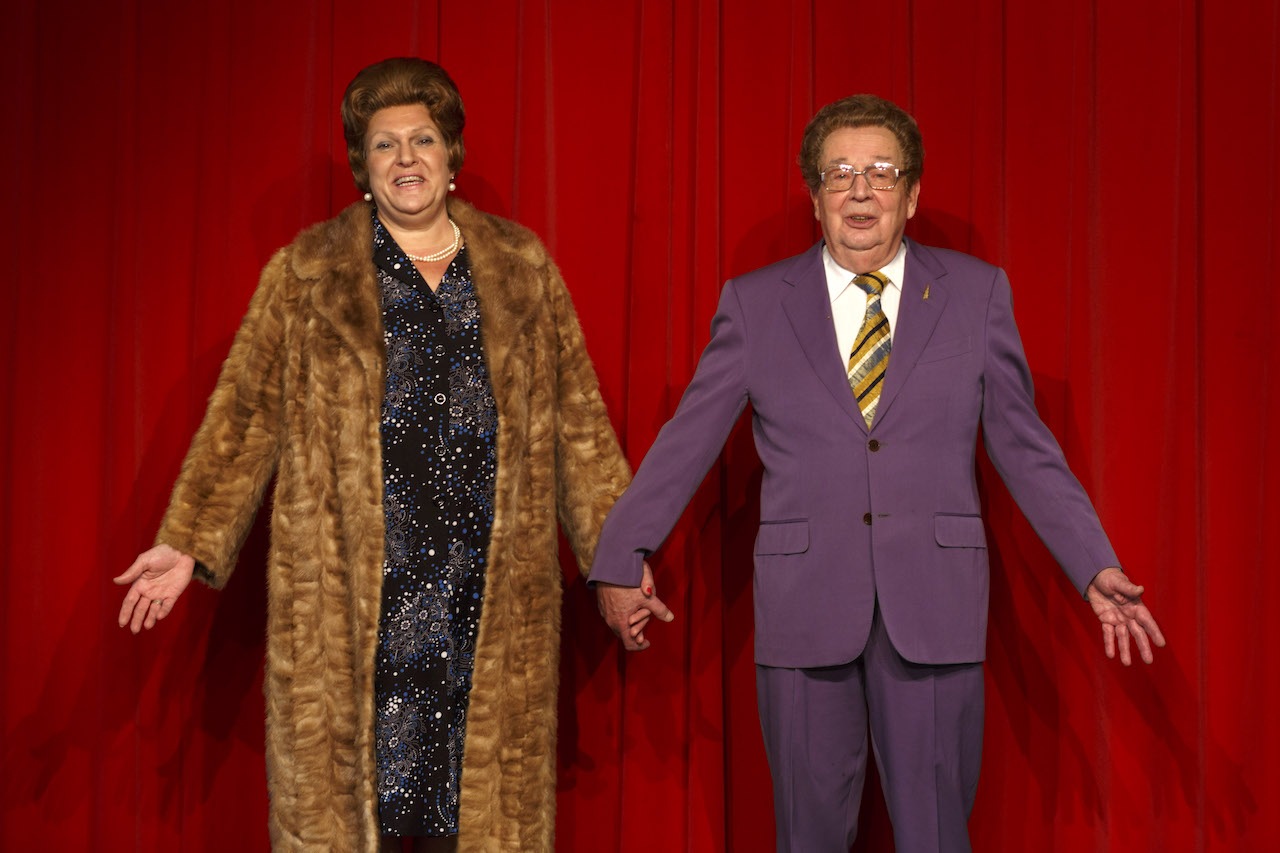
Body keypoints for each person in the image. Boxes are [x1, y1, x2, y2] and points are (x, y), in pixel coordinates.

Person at [590, 94, 1166, 852]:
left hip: (934, 607)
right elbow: (686, 439)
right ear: (815, 197)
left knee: (936, 834)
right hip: (804, 610)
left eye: (882, 173)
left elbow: (1025, 446)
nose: (860, 191)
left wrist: (1093, 564)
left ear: (912, 194)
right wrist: (620, 553)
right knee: (808, 836)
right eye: (840, 173)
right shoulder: (755, 305)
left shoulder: (976, 294)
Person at [114, 57, 630, 853]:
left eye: (422, 139)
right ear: (364, 165)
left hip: (485, 606)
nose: (406, 158)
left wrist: (618, 561)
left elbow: (578, 428)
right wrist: (188, 541)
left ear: (451, 155)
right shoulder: (306, 276)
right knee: (355, 820)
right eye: (385, 144)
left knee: (481, 819)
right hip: (354, 608)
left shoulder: (522, 271)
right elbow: (245, 417)